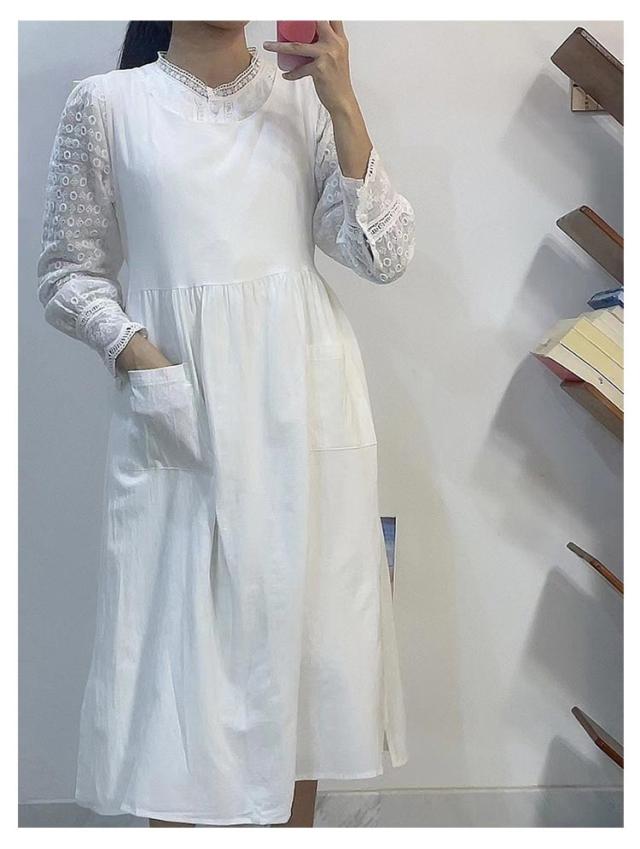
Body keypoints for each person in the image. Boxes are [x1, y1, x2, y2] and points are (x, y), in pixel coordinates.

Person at [37, 20, 415, 828]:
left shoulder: (304, 103)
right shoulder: (106, 105)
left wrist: (343, 101)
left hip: (303, 413)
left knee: (304, 664)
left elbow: (383, 256)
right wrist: (137, 353)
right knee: (176, 691)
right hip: (180, 421)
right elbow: (67, 272)